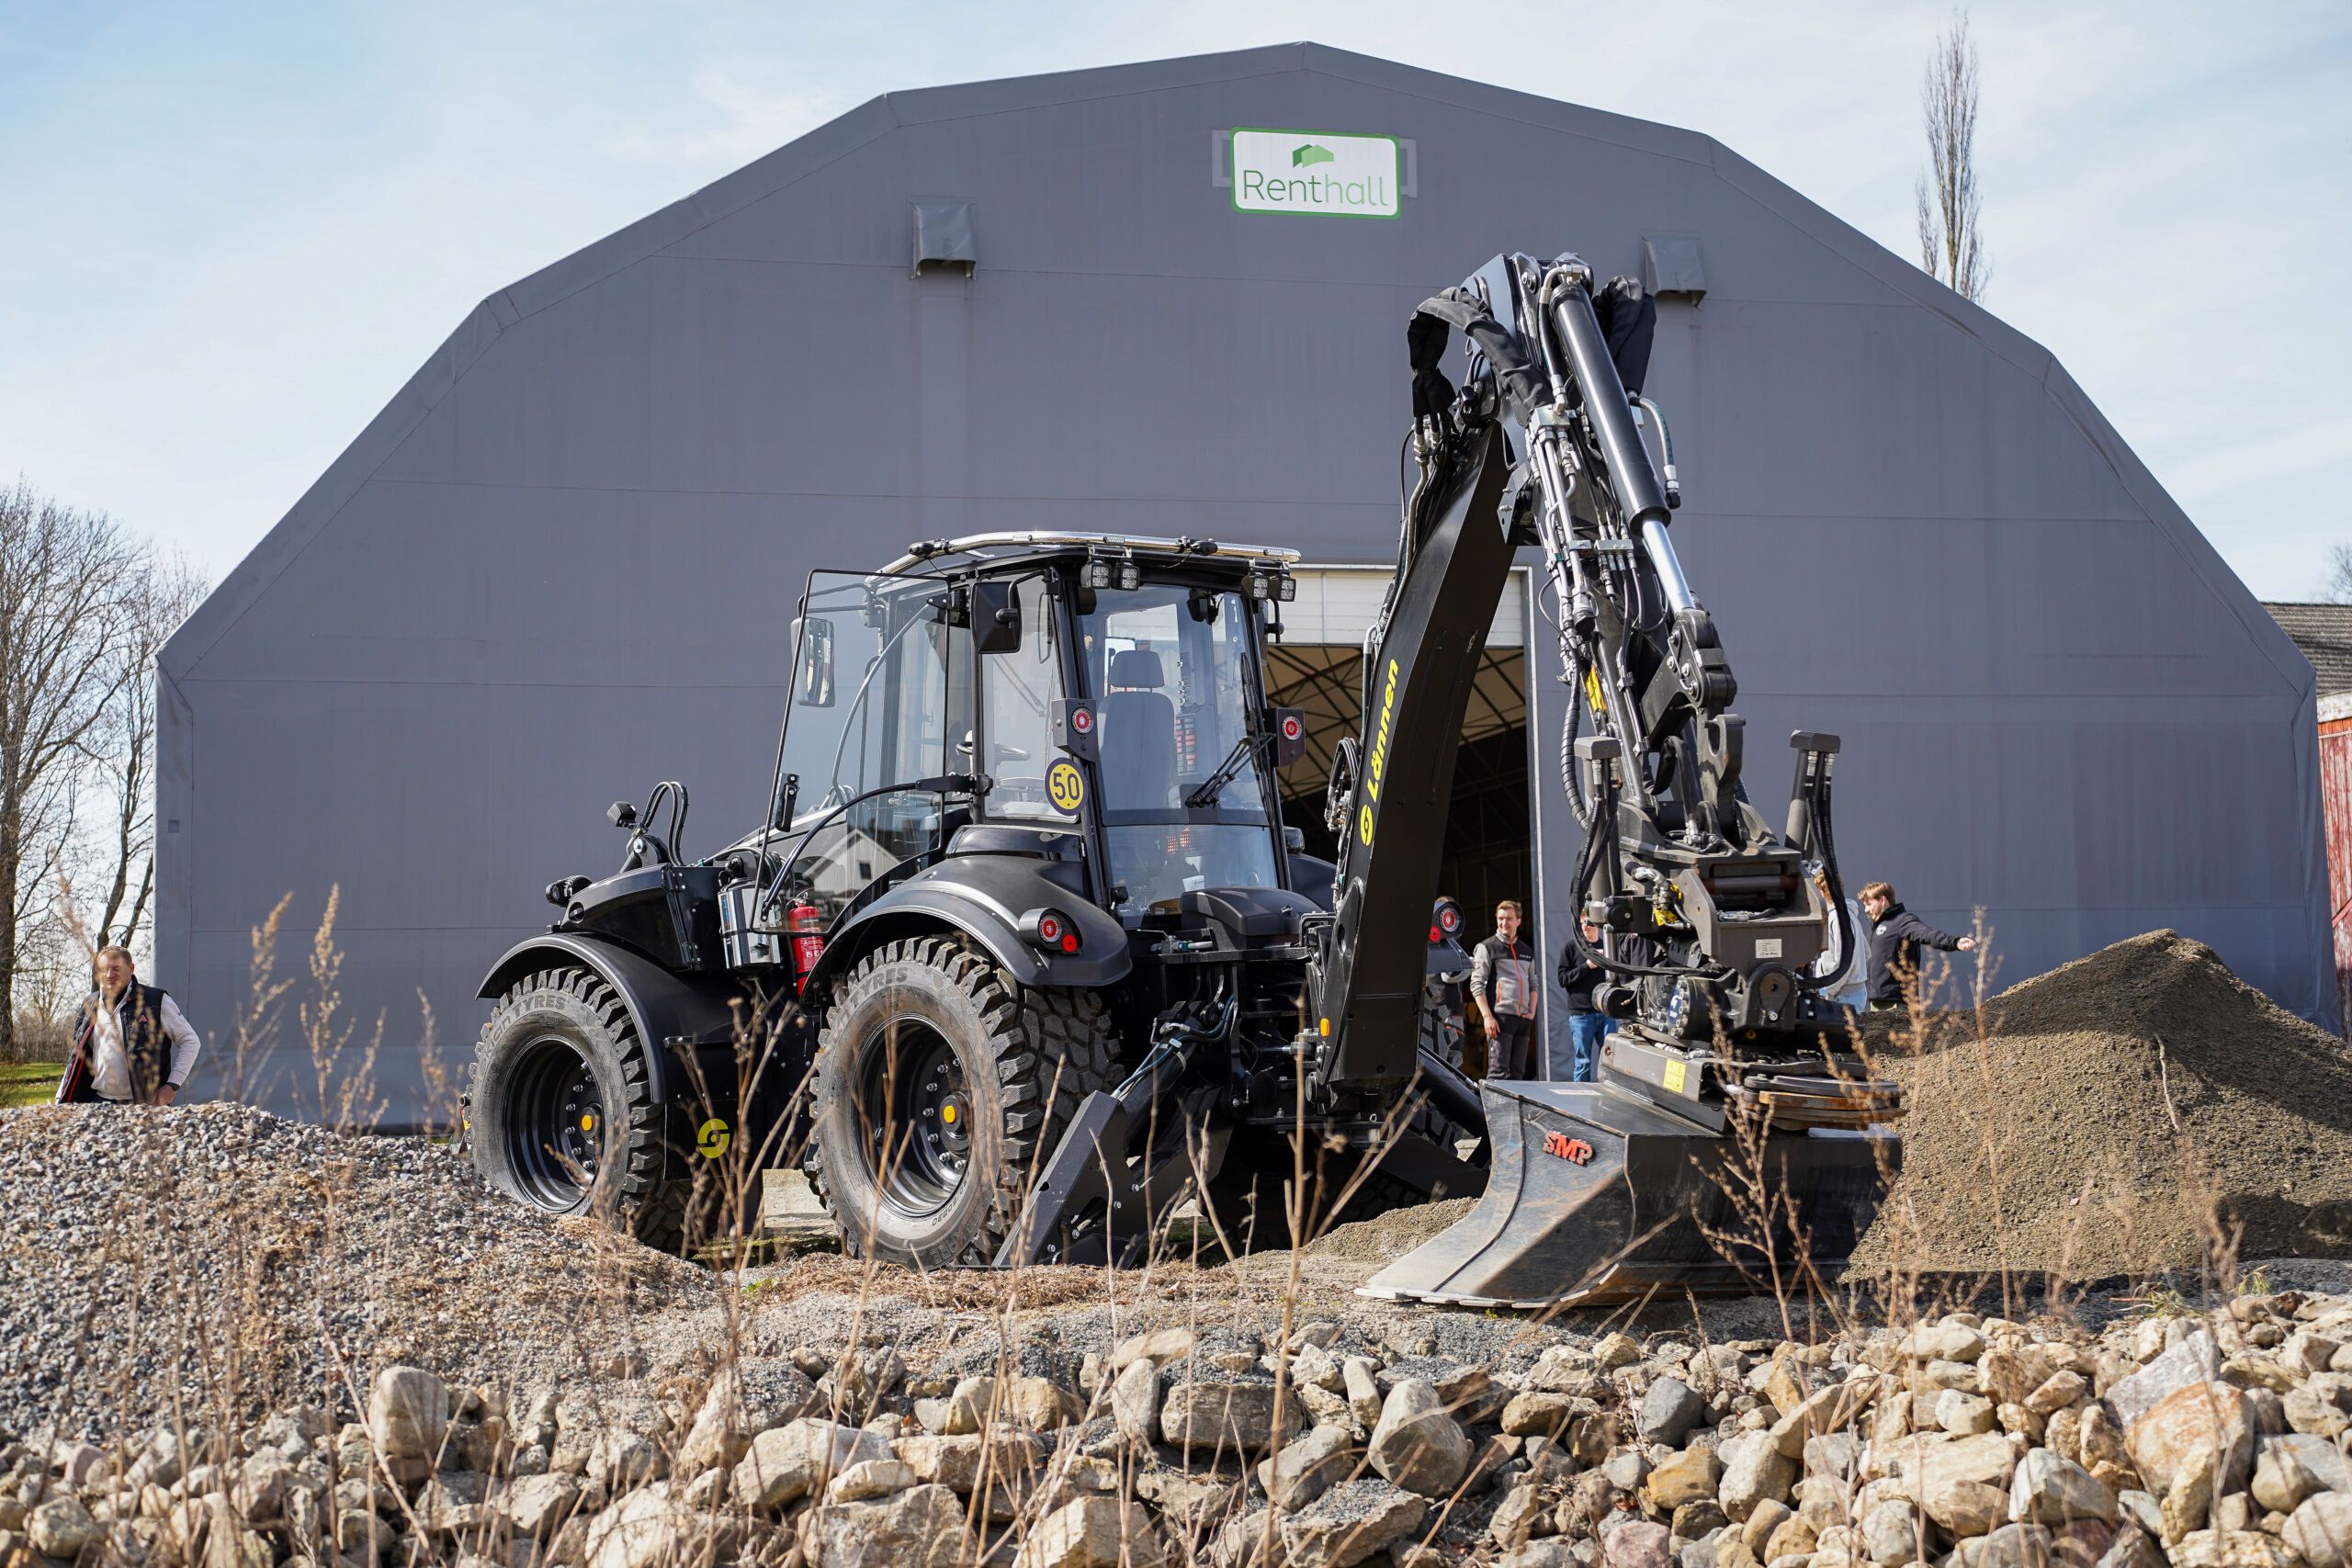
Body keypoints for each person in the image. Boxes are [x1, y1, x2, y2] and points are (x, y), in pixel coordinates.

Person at [55, 946, 201, 1106]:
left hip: (144, 1105)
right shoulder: (90, 1004)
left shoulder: (155, 1001)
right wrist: (59, 1098)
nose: (110, 975)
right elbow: (75, 1057)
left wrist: (172, 1085)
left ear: (131, 968)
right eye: (104, 969)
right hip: (97, 1103)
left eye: (116, 968)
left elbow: (190, 1041)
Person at [1858, 881, 1976, 1011]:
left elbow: (1927, 934)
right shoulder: (1873, 930)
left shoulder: (1902, 921)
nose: (1866, 910)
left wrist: (1954, 942)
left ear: (1882, 900)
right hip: (1877, 1001)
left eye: (1869, 904)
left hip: (1897, 1002)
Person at [1469, 900, 1539, 1079]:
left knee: (1518, 1074)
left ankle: (1515, 1109)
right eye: (1500, 919)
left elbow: (1533, 984)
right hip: (1499, 1020)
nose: (1504, 923)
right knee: (1498, 1073)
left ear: (1518, 921)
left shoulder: (1526, 951)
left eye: (1508, 919)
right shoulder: (1487, 947)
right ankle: (1494, 1108)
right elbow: (1476, 984)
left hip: (1523, 1020)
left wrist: (1531, 1012)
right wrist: (1487, 1017)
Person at [1555, 918, 1613, 1083]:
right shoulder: (1571, 948)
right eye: (1582, 923)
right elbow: (1562, 979)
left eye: (1589, 922)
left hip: (1606, 1013)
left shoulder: (1607, 947)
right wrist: (1587, 966)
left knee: (1609, 1059)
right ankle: (1580, 1098)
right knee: (1583, 1062)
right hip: (1581, 1015)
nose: (1585, 927)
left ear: (1598, 924)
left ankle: (1610, 1097)